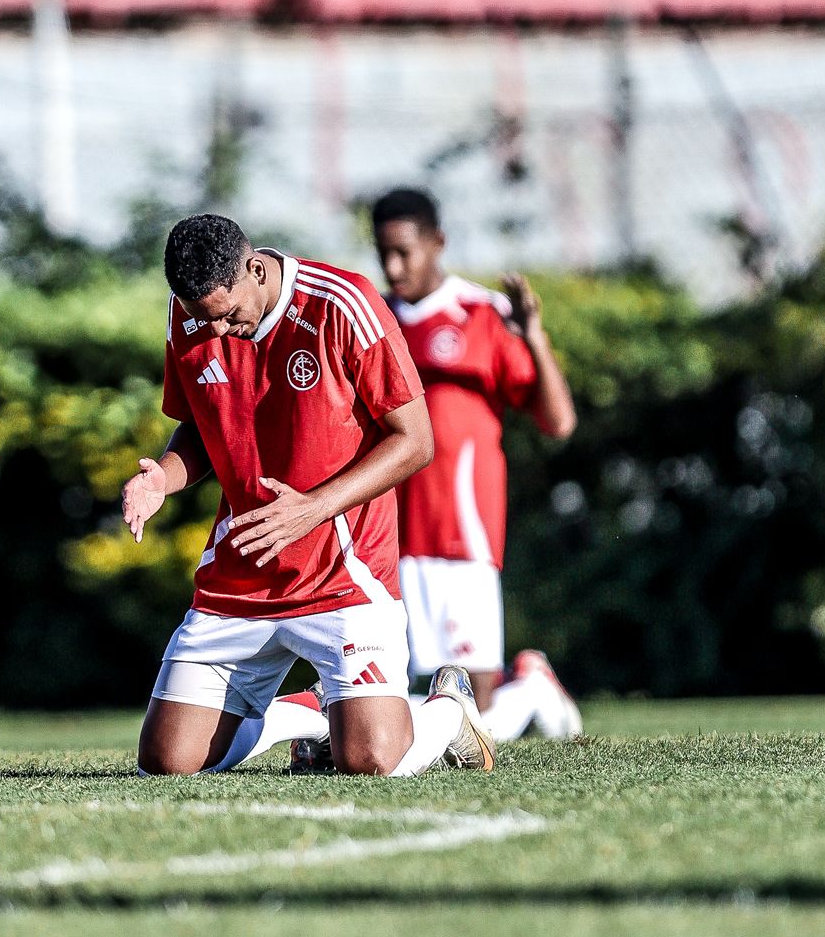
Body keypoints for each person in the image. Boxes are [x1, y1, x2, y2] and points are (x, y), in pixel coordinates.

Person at [122, 213, 495, 778]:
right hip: (243, 576)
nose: (218, 334)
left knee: (370, 761)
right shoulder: (191, 315)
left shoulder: (342, 303)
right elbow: (201, 426)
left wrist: (313, 508)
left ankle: (447, 710)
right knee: (166, 763)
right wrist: (162, 479)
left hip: (343, 574)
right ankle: (312, 709)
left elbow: (415, 441)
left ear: (253, 268)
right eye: (205, 321)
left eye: (227, 316)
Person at [373, 185, 582, 743]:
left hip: (463, 526)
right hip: (393, 529)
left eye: (404, 252)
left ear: (437, 242)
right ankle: (525, 691)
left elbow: (557, 422)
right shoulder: (374, 321)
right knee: (407, 694)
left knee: (475, 716)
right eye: (383, 253)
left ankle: (530, 687)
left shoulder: (482, 314)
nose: (393, 267)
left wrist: (533, 336)